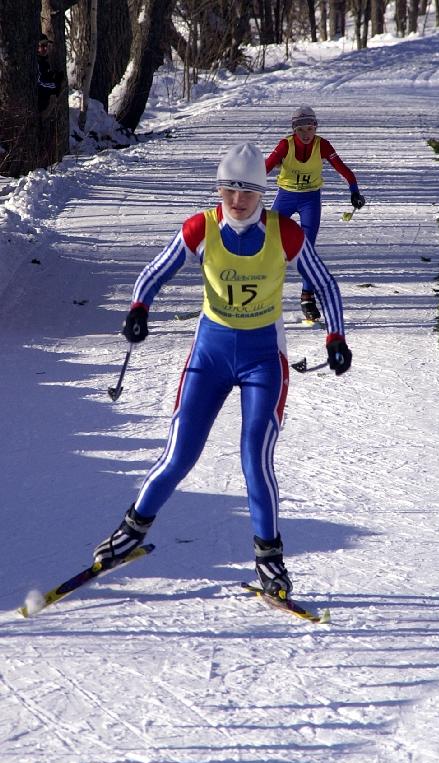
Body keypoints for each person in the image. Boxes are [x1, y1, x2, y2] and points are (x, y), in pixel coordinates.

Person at [92, 143, 352, 598]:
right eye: (229, 189)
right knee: (179, 453)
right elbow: (157, 269)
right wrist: (138, 308)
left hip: (262, 359)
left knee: (256, 458)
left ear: (262, 193)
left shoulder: (284, 232)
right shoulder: (202, 228)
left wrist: (335, 337)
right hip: (209, 356)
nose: (237, 199)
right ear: (218, 189)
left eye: (248, 191)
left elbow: (325, 283)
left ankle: (269, 560)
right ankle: (131, 531)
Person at [266, 105, 366, 322]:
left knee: (307, 250)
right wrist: (248, 189)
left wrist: (354, 191)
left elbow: (344, 169)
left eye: (310, 128)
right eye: (301, 130)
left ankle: (307, 296)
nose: (306, 134)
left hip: (310, 200)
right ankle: (259, 292)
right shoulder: (285, 145)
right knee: (268, 242)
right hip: (286, 197)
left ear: (315, 127)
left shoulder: (322, 145)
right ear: (294, 130)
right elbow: (265, 167)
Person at [36, 34, 65, 116]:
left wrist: (53, 76)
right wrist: (56, 85)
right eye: (42, 45)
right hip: (38, 109)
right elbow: (39, 83)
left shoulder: (44, 61)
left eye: (46, 45)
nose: (45, 48)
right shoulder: (36, 62)